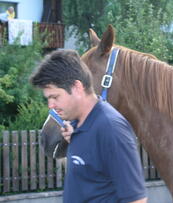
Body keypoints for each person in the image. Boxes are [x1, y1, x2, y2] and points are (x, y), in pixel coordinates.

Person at [30, 49, 147, 203]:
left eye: (55, 97)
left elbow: (136, 200)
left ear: (77, 88)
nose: (50, 106)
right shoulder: (78, 126)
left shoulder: (111, 128)